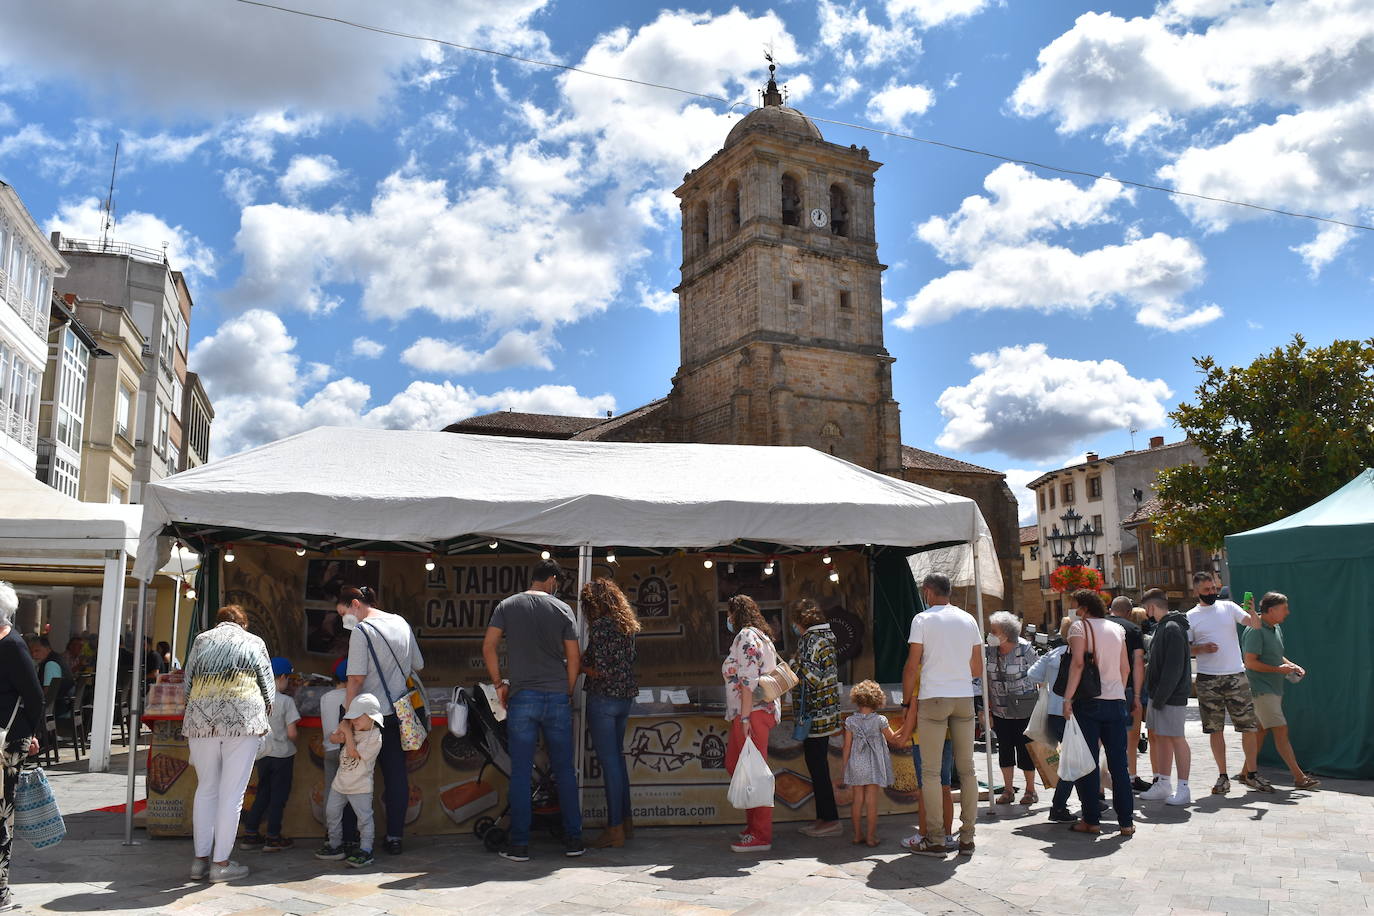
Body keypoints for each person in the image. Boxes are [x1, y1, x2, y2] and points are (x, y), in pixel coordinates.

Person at [482, 560, 584, 861]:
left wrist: (499, 683)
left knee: (521, 773)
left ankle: (519, 844)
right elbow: (574, 657)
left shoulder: (507, 605)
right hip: (556, 697)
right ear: (552, 580)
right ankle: (574, 840)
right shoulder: (563, 609)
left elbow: (488, 646)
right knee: (565, 770)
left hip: (522, 696)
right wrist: (566, 689)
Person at [183, 605, 274, 883]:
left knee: (206, 788)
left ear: (218, 623)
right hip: (242, 720)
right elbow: (268, 686)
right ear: (243, 624)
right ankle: (221, 863)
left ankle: (199, 862)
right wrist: (266, 712)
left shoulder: (201, 640)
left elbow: (187, 684)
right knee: (232, 795)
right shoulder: (254, 641)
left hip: (201, 720)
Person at [896, 573, 983, 858]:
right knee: (967, 769)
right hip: (963, 697)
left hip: (933, 697)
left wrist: (907, 701)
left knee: (932, 773)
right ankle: (967, 837)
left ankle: (934, 838)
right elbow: (977, 668)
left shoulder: (922, 620)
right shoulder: (968, 619)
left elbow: (912, 666)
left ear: (929, 592)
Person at [341, 585, 425, 856]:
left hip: (366, 718)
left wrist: (346, 717)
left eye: (344, 613)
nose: (345, 620)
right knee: (396, 775)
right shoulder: (400, 622)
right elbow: (418, 664)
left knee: (357, 774)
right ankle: (394, 837)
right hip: (398, 714)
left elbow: (355, 678)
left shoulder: (361, 631)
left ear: (356, 604)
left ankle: (354, 837)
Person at [1062, 588, 1136, 837]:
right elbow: (1125, 668)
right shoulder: (1117, 629)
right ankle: (1126, 822)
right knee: (1119, 765)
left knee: (1089, 763)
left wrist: (1068, 697)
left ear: (1083, 607)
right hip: (1115, 701)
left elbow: (1078, 663)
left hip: (1089, 701)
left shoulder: (1079, 628)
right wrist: (1117, 690)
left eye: (1074, 605)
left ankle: (1091, 819)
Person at [1186, 572, 1266, 795]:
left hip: (1235, 675)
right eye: (1206, 590)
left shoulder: (1229, 607)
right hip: (1207, 677)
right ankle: (1222, 775)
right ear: (1196, 591)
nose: (1211, 593)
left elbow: (1255, 625)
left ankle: (1251, 773)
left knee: (1248, 726)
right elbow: (1186, 648)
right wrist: (1200, 649)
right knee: (1215, 729)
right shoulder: (1190, 616)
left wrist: (1251, 611)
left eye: (1213, 588)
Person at [581, 577, 640, 849]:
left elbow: (601, 668)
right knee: (618, 761)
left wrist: (581, 667)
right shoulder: (626, 625)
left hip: (603, 699)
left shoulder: (602, 626)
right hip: (624, 698)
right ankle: (626, 823)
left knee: (610, 765)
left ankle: (614, 828)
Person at [720, 593, 781, 853]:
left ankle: (760, 834)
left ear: (736, 614)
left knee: (751, 773)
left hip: (751, 713)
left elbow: (748, 680)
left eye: (729, 613)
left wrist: (744, 717)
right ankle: (753, 828)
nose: (727, 619)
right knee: (743, 768)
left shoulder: (745, 636)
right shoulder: (763, 637)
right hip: (759, 711)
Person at [1242, 592, 1320, 790]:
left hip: (1272, 689)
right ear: (1271, 610)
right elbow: (1250, 662)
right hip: (1261, 690)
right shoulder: (1255, 630)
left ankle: (1245, 773)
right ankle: (1299, 777)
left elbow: (1277, 655)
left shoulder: (1275, 628)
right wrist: (1279, 670)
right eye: (1284, 608)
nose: (1288, 612)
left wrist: (1291, 665)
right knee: (1281, 731)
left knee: (1259, 732)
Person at [1, 582, 44, 913]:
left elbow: (34, 698)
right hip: (8, 739)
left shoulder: (12, 645)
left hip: (7, 741)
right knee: (3, 816)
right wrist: (33, 733)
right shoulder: (14, 645)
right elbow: (34, 696)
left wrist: (30, 734)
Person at [790, 598, 841, 839]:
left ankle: (830, 819)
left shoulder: (811, 640)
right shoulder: (827, 638)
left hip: (814, 713)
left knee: (818, 768)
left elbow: (811, 677)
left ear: (800, 621)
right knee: (818, 765)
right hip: (826, 711)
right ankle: (823, 817)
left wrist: (791, 665)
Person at [1138, 588, 1193, 806]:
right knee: (1161, 737)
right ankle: (1163, 782)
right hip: (1160, 695)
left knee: (1176, 738)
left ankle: (1183, 787)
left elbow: (1174, 667)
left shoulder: (1171, 628)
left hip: (1169, 696)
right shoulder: (1164, 627)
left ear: (1151, 607)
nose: (1145, 613)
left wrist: (1160, 697)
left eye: (1145, 608)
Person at [240, 657, 301, 853]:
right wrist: (295, 742)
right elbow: (292, 733)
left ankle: (250, 834)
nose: (288, 683)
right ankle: (273, 837)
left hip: (262, 754)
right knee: (278, 797)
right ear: (282, 677)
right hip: (283, 756)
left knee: (262, 793)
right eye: (288, 679)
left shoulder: (256, 698)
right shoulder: (286, 701)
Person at [317, 693, 385, 868]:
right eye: (352, 717)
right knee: (332, 813)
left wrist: (347, 733)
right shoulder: (351, 727)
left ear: (371, 716)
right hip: (340, 783)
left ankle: (366, 849)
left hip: (360, 786)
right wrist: (340, 733)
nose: (353, 720)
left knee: (364, 819)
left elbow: (355, 754)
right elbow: (333, 738)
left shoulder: (375, 737)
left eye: (358, 717)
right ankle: (334, 844)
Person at [984, 611, 1039, 806]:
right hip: (1000, 709)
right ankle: (1008, 790)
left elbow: (1040, 676)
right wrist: (986, 709)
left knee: (1025, 750)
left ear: (1005, 634)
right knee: (1005, 750)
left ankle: (1030, 790)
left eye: (993, 631)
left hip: (1024, 710)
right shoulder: (990, 650)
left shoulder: (1025, 649)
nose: (989, 634)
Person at [1029, 616, 1076, 822]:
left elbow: (1032, 675)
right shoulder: (1078, 656)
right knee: (1073, 760)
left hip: (1053, 712)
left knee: (1072, 758)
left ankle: (1089, 799)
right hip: (1072, 713)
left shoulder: (1052, 654)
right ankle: (1059, 805)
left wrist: (1048, 683)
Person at [841, 680, 896, 847]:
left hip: (856, 763)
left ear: (856, 700)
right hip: (874, 764)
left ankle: (857, 835)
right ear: (877, 700)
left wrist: (846, 766)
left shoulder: (851, 721)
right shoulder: (880, 720)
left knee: (857, 800)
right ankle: (871, 837)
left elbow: (847, 746)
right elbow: (892, 737)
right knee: (872, 801)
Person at [317, 658, 358, 855]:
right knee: (350, 794)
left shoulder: (325, 697)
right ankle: (350, 836)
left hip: (329, 750)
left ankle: (331, 833)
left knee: (331, 793)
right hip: (347, 750)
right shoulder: (355, 697)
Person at [1107, 596, 1149, 791]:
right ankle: (1130, 776)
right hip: (1128, 688)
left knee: (1102, 738)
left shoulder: (1100, 627)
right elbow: (1138, 663)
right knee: (1131, 737)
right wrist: (1139, 696)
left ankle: (1102, 781)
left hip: (1102, 689)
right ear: (1129, 612)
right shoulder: (1133, 629)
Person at [26, 635, 74, 719]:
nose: (34, 655)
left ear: (48, 649)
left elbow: (48, 695)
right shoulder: (57, 659)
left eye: (37, 651)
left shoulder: (50, 664)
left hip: (57, 710)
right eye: (32, 652)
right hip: (65, 707)